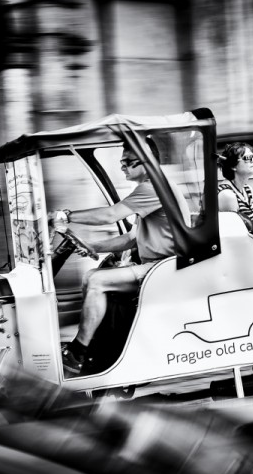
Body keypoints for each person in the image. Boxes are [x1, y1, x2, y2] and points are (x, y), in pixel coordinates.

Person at [58, 137, 190, 377]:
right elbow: (132, 237)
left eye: (128, 162)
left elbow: (110, 215)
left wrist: (65, 216)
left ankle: (78, 351)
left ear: (147, 161)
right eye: (122, 162)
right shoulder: (152, 187)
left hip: (164, 269)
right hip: (157, 266)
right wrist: (94, 245)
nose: (123, 167)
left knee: (97, 281)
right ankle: (93, 349)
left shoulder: (154, 187)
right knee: (91, 277)